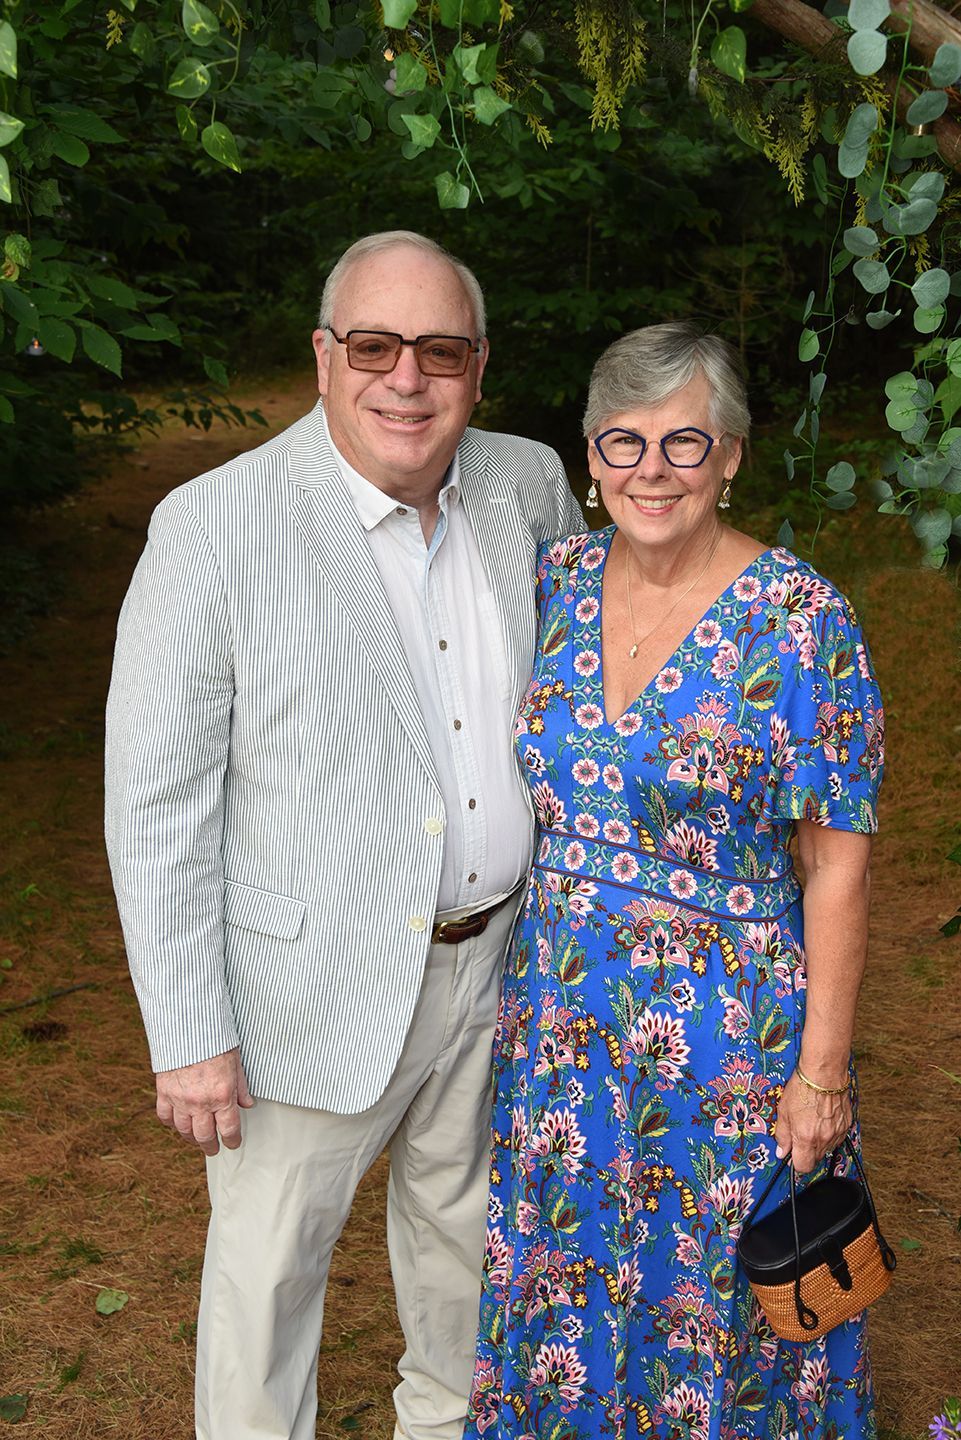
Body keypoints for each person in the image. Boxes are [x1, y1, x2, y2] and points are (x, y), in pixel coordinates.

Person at [104, 229, 583, 1440]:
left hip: (499, 961)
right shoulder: (210, 528)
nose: (405, 379)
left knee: (465, 1243)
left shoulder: (527, 484)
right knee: (268, 1282)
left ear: (481, 367)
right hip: (298, 996)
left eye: (440, 350)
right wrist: (190, 1032)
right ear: (323, 358)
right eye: (373, 345)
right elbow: (157, 803)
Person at [465, 321, 884, 1439]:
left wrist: (822, 1077)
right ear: (591, 459)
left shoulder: (802, 622)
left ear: (733, 454)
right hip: (560, 1030)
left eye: (685, 442)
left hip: (726, 1045)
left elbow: (835, 870)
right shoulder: (544, 587)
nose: (652, 470)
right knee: (566, 1285)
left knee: (730, 1323)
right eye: (624, 441)